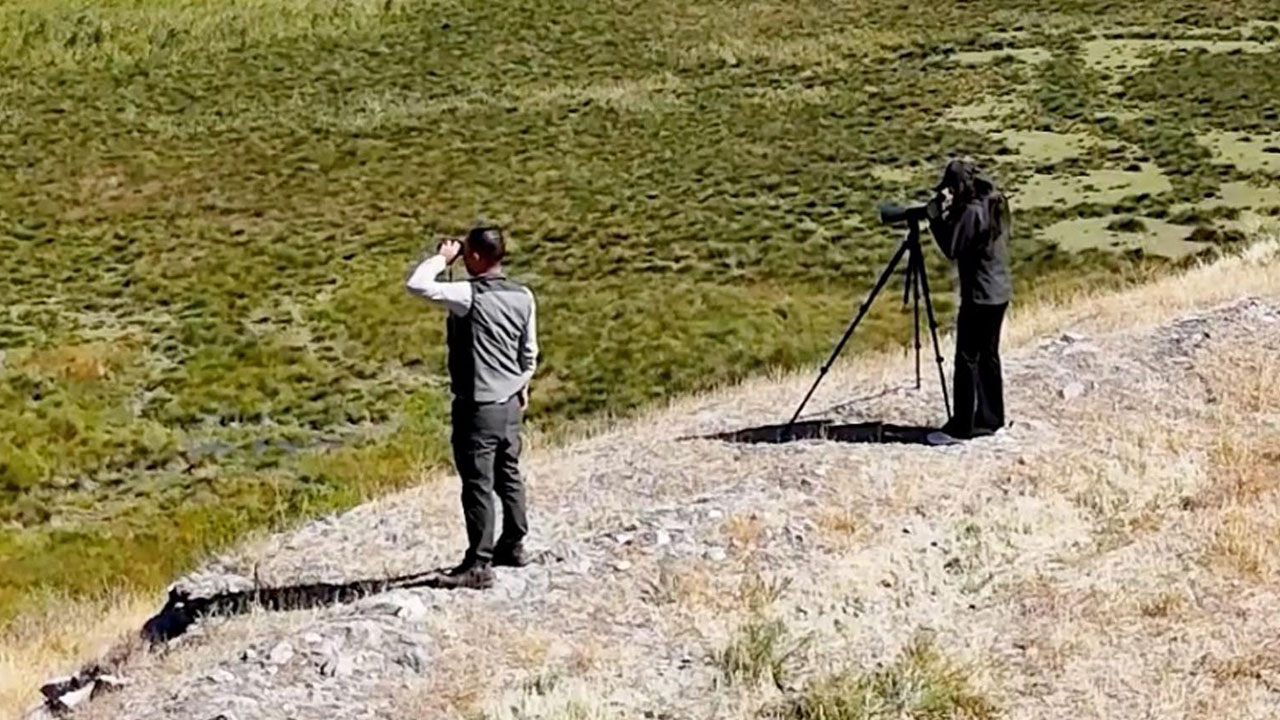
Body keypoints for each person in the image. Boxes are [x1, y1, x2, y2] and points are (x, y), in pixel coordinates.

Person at [405, 225, 538, 589]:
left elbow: (417, 284)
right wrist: (522, 384)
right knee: (508, 473)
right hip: (510, 402)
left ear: (477, 257)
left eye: (467, 255)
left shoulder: (468, 295)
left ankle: (478, 564)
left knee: (477, 483)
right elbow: (530, 353)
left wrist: (441, 259)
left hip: (478, 405)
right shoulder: (523, 295)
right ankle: (513, 543)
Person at [926, 158, 1012, 442]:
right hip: (998, 292)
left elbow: (952, 246)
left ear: (960, 185)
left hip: (979, 295)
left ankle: (962, 425)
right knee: (988, 356)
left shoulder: (973, 211)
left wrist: (936, 218)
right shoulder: (994, 202)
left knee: (966, 358)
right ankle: (991, 418)